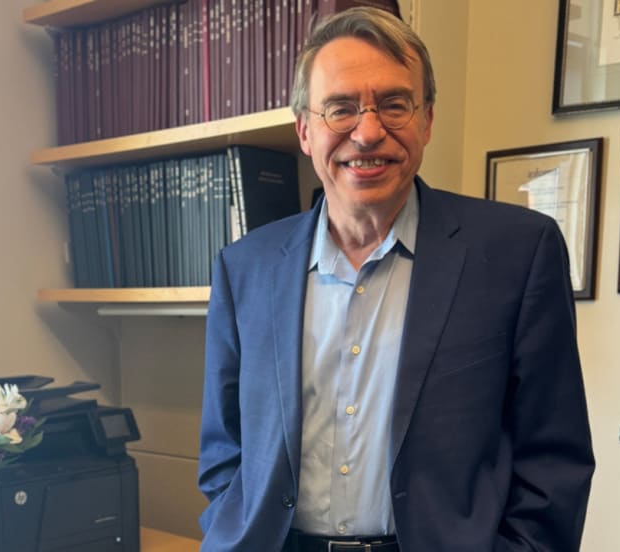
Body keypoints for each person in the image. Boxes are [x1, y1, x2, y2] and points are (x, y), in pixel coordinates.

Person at [198, 7, 594, 552]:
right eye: (340, 109)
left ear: (426, 120)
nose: (367, 132)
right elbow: (225, 450)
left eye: (393, 104)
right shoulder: (244, 267)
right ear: (305, 131)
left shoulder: (517, 253)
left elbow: (555, 458)